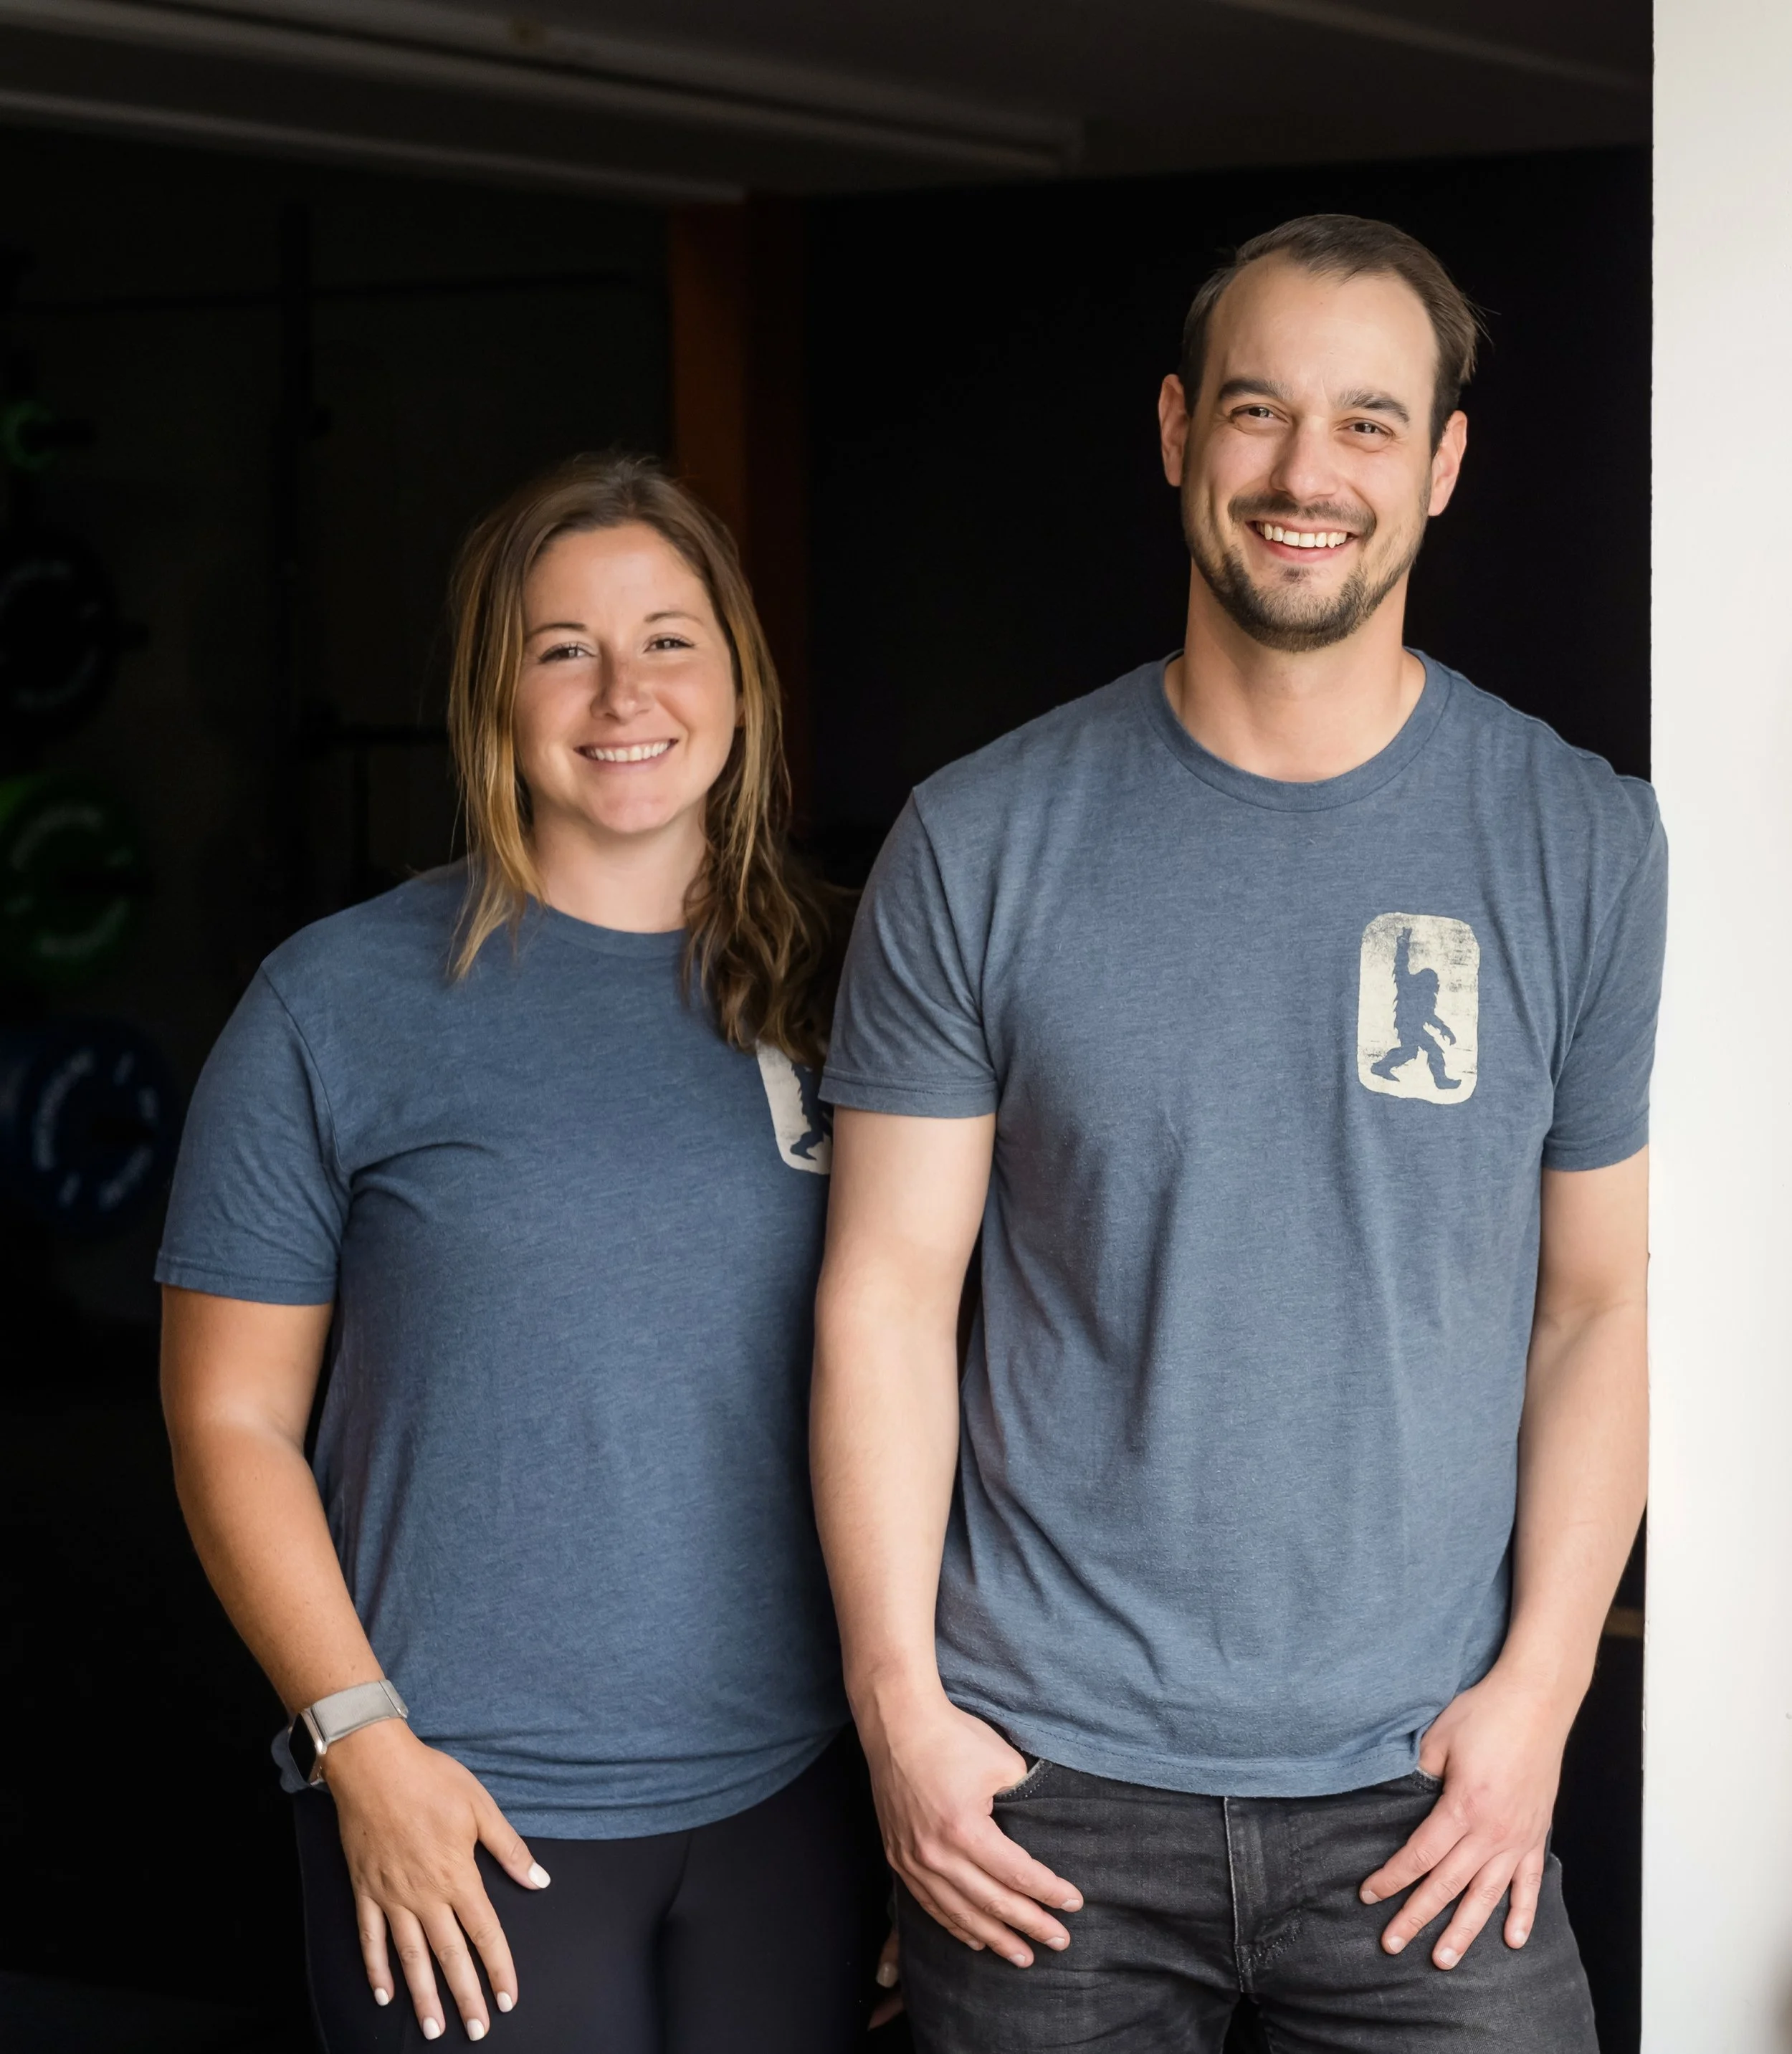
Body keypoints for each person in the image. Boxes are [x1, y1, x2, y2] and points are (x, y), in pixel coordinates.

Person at [811, 215, 1662, 2051]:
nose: (1303, 474)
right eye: (1259, 410)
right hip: (1042, 1795)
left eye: (1367, 422)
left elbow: (1597, 1302)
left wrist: (1536, 1697)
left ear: (1440, 465)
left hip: (1427, 1790)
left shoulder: (1578, 841)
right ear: (1176, 430)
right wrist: (899, 1714)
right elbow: (884, 1292)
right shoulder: (977, 840)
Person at [158, 455, 883, 2052]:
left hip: (800, 1797)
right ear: (494, 694)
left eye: (668, 639)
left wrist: (908, 1766)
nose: (624, 692)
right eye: (564, 648)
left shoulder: (860, 986)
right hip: (460, 1809)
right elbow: (228, 1418)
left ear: (741, 677)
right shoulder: (334, 1003)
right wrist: (361, 1744)